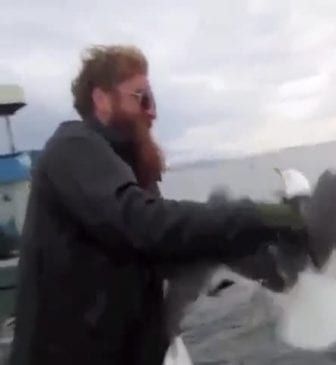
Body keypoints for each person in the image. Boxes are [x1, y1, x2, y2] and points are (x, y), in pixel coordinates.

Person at [9, 44, 306, 365]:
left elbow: (171, 247)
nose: (153, 112)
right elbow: (145, 223)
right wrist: (266, 215)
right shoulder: (71, 149)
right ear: (102, 99)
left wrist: (259, 253)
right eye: (142, 98)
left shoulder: (132, 174)